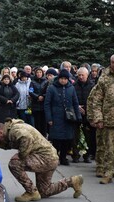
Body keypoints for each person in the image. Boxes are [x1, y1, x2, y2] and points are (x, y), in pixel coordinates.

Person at [0, 119, 84, 202]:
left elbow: (26, 138)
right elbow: (8, 144)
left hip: (45, 158)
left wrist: (21, 155)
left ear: (0, 132)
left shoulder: (14, 131)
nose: (0, 141)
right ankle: (72, 181)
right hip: (49, 157)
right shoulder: (12, 128)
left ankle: (31, 192)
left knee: (14, 164)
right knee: (44, 191)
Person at [44, 69, 82, 165]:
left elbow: (75, 102)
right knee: (56, 140)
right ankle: (55, 157)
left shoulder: (71, 88)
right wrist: (49, 118)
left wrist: (78, 116)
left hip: (68, 118)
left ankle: (63, 157)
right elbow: (47, 104)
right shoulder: (52, 88)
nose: (63, 81)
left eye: (65, 79)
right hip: (56, 117)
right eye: (61, 78)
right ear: (59, 78)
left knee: (67, 139)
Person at [87, 54, 114, 184]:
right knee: (108, 148)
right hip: (109, 120)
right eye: (113, 62)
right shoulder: (104, 79)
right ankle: (107, 172)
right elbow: (95, 101)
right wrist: (97, 118)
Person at [72, 67, 95, 163]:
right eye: (79, 75)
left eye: (83, 75)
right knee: (75, 135)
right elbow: (71, 98)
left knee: (88, 135)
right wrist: (77, 107)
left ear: (87, 75)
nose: (81, 77)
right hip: (76, 113)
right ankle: (75, 155)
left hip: (87, 114)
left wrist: (85, 108)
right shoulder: (74, 85)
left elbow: (94, 100)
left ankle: (87, 155)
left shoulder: (92, 86)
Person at [29, 67, 48, 136]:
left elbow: (48, 91)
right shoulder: (32, 82)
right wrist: (37, 96)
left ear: (42, 73)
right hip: (36, 104)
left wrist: (43, 96)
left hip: (43, 104)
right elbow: (30, 91)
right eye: (37, 72)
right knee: (37, 122)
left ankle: (44, 135)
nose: (39, 74)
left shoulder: (46, 81)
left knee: (44, 122)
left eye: (40, 72)